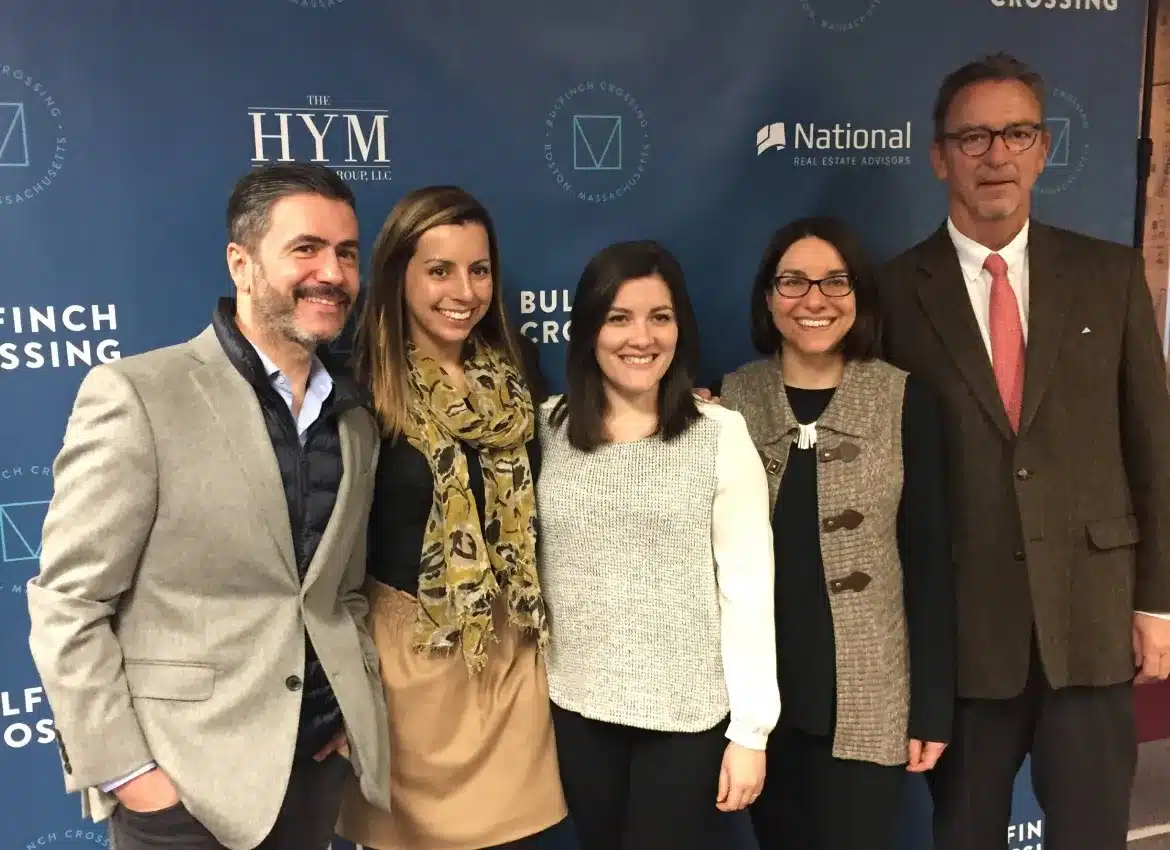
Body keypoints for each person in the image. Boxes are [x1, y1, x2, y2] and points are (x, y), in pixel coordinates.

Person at [26, 162, 391, 850]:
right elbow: (69, 603)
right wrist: (132, 776)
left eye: (346, 252)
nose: (334, 273)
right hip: (185, 795)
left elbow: (339, 594)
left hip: (312, 776)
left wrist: (347, 714)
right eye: (305, 248)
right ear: (242, 262)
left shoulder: (354, 417)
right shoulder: (140, 395)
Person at [877, 52, 1170, 850]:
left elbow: (1154, 448)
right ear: (939, 155)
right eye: (972, 137)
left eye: (1015, 133)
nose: (995, 155)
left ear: (1045, 148)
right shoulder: (894, 294)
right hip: (967, 646)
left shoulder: (1109, 277)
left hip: (1093, 624)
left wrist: (1156, 603)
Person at [335, 185, 569, 850]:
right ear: (397, 276)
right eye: (439, 270)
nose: (462, 291)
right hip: (408, 667)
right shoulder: (358, 383)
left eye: (478, 269)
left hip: (510, 657)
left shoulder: (517, 365)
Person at [714, 217, 953, 850]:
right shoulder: (733, 399)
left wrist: (930, 704)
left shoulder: (905, 399)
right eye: (792, 282)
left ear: (860, 295)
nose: (813, 300)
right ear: (769, 297)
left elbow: (929, 561)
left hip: (869, 696)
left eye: (834, 282)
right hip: (764, 703)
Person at [534, 240, 780, 850]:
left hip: (685, 720)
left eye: (659, 317)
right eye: (618, 317)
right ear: (589, 330)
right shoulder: (546, 429)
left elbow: (748, 587)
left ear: (680, 328)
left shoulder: (719, 433)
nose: (640, 337)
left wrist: (751, 733)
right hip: (575, 710)